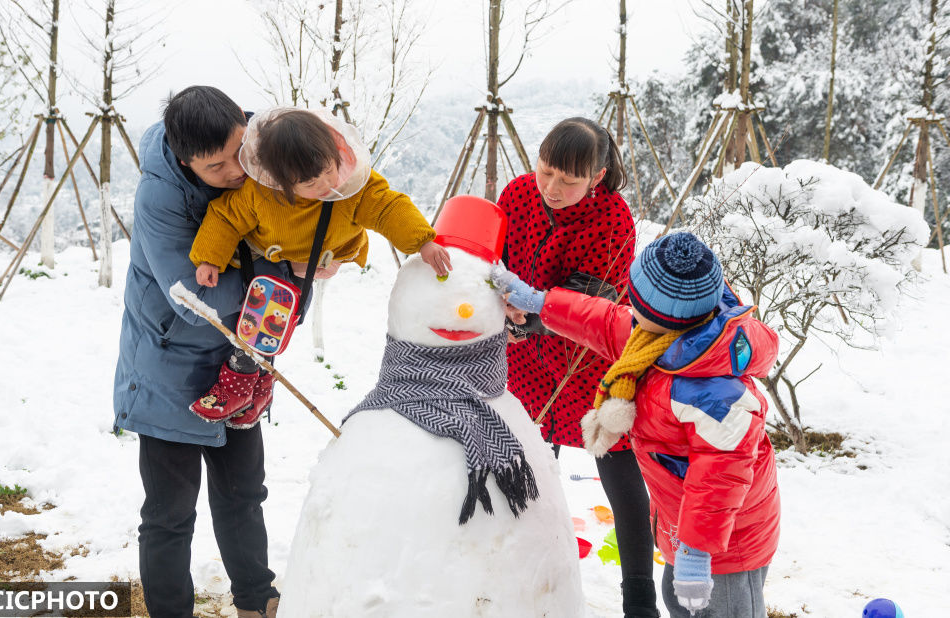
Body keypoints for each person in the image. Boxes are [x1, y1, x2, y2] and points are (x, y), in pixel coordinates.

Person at [493, 232, 782, 618]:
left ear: (663, 316)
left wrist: (696, 553)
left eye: (636, 301)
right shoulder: (656, 340)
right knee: (679, 602)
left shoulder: (713, 394)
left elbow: (720, 480)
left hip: (726, 545)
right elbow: (601, 318)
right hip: (683, 525)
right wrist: (539, 302)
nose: (628, 306)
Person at [112, 86, 284, 618]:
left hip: (239, 364)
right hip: (170, 369)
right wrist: (280, 278)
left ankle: (258, 602)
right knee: (169, 514)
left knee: (242, 495)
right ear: (185, 160)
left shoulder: (266, 151)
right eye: (216, 166)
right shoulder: (159, 198)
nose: (237, 170)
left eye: (240, 152)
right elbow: (192, 299)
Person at [187, 106, 450, 423]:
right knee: (267, 308)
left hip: (320, 257)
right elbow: (225, 217)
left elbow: (387, 207)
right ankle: (253, 385)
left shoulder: (352, 184)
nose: (325, 183)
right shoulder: (259, 195)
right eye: (309, 182)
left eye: (328, 169)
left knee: (275, 315)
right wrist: (209, 258)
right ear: (279, 180)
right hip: (269, 257)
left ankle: (243, 382)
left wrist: (423, 240)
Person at [496, 117, 659, 617]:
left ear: (598, 176)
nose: (553, 189)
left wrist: (530, 315)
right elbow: (492, 257)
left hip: (588, 358)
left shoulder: (613, 219)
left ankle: (639, 598)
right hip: (523, 358)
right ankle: (518, 578)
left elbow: (596, 300)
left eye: (569, 180)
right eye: (546, 172)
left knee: (617, 462)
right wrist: (497, 298)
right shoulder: (519, 195)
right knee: (523, 459)